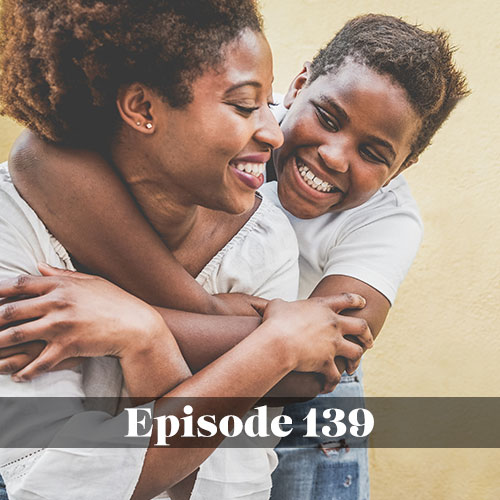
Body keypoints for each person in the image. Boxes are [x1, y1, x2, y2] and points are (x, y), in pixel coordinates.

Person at [0, 11, 469, 500]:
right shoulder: (227, 122)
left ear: (404, 165)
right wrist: (264, 332)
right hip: (265, 343)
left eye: (374, 153)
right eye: (327, 119)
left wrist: (137, 322)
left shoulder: (380, 221)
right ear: (297, 86)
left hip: (301, 390)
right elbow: (36, 156)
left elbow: (320, 361)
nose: (333, 154)